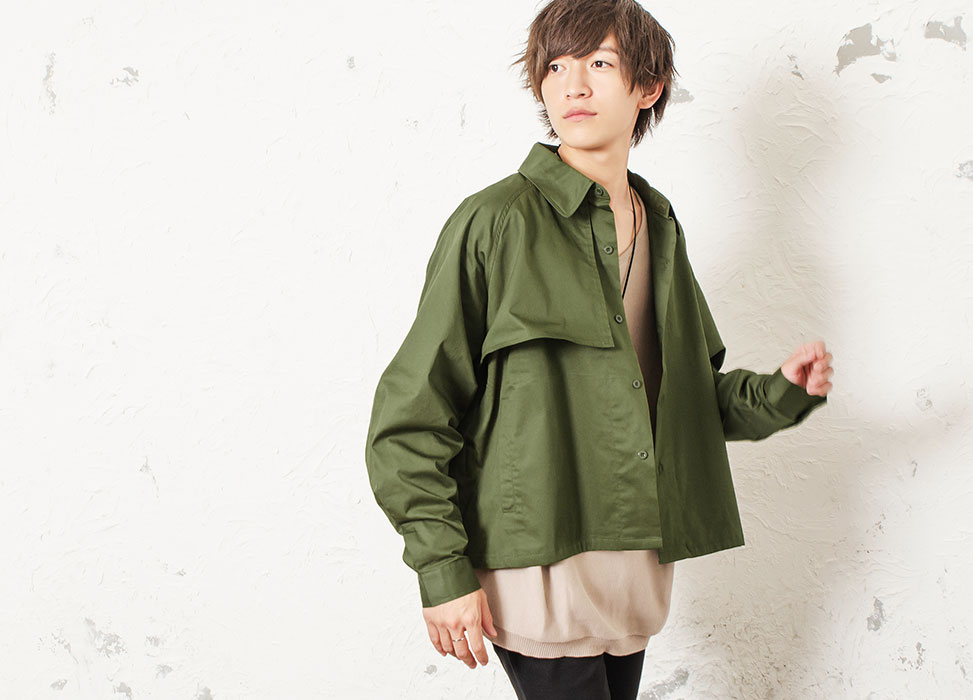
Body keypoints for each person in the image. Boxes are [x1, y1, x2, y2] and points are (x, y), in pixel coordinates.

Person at [364, 1, 834, 697]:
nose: (573, 85)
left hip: (633, 576)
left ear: (648, 87)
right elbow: (410, 417)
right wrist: (441, 571)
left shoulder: (658, 223)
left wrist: (783, 391)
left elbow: (686, 400)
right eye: (555, 67)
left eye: (599, 63)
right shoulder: (495, 222)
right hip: (536, 573)